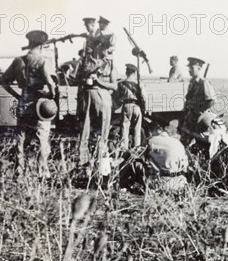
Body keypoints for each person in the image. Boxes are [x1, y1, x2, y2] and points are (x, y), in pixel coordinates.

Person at [0, 30, 57, 178]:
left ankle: (19, 170)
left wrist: (17, 95)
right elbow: (51, 84)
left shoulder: (19, 61)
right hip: (39, 105)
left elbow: (4, 81)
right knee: (42, 138)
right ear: (43, 45)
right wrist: (51, 95)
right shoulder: (43, 61)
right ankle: (43, 173)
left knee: (21, 137)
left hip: (23, 102)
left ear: (29, 43)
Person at [76, 21, 117, 175]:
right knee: (87, 132)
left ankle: (101, 168)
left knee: (100, 132)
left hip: (101, 95)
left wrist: (98, 80)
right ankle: (86, 168)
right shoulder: (89, 61)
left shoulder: (108, 63)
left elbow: (114, 86)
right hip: (89, 94)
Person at [120, 123, 189, 193]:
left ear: (151, 132)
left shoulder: (151, 141)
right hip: (181, 182)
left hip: (162, 183)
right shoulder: (177, 142)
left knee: (135, 162)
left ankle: (121, 185)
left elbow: (132, 153)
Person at [179, 57, 215, 142]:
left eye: (192, 67)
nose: (189, 69)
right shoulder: (192, 82)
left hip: (199, 118)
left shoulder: (204, 83)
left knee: (200, 142)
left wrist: (200, 110)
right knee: (184, 142)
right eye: (189, 67)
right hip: (190, 117)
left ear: (199, 68)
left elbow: (211, 100)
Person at [116, 63, 146, 149]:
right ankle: (137, 149)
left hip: (126, 105)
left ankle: (124, 150)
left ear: (127, 72)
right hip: (137, 106)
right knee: (137, 129)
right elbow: (144, 97)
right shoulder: (139, 83)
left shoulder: (122, 84)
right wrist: (144, 108)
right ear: (134, 73)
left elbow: (118, 97)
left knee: (124, 129)